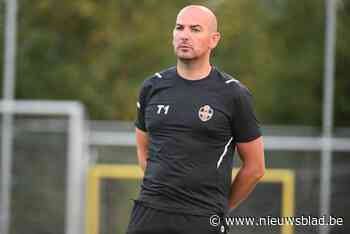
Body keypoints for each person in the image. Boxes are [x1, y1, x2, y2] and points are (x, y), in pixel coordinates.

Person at [126, 5, 265, 234]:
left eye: (195, 29)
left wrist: (219, 208)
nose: (185, 35)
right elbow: (144, 150)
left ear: (214, 39)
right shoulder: (152, 86)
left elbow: (255, 168)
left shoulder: (233, 94)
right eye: (180, 28)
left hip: (202, 218)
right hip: (148, 215)